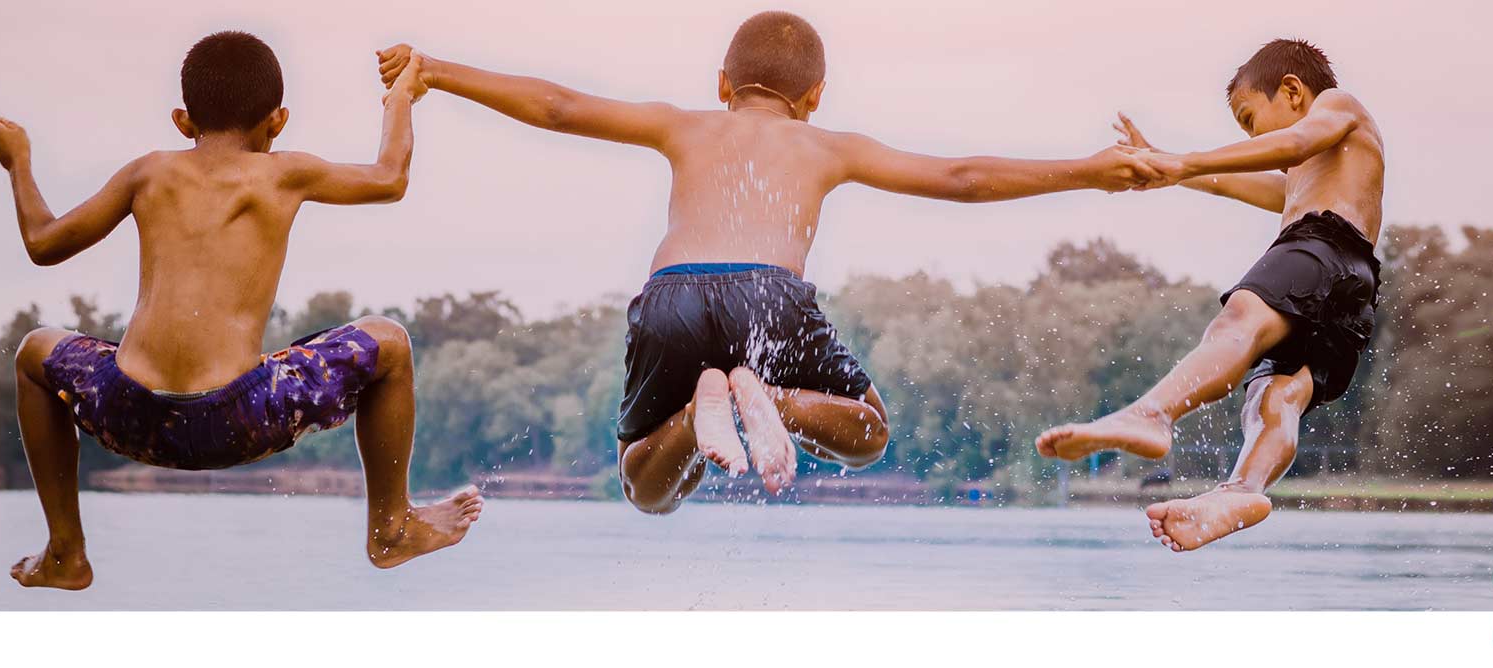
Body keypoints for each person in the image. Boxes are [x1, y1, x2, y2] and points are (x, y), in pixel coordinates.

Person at [375, 11, 1159, 513]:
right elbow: (964, 179)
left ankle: (697, 409)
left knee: (646, 488)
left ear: (721, 86)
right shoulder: (825, 143)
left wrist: (439, 71)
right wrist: (1087, 170)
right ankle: (766, 398)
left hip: (672, 293)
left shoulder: (684, 125)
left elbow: (559, 107)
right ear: (816, 94)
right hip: (770, 299)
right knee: (869, 431)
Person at [0, 31, 482, 589]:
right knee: (387, 341)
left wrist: (18, 162)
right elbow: (389, 178)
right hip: (239, 416)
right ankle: (391, 527)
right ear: (278, 120)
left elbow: (44, 243)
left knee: (35, 350)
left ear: (182, 121)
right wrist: (400, 99)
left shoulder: (146, 172)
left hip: (131, 414)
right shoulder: (284, 171)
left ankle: (65, 551)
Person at [1036, 39, 1385, 552]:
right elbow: (1237, 183)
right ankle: (1242, 489)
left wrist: (1186, 161)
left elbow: (1292, 143)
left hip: (1321, 246)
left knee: (1238, 321)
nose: (1248, 135)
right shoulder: (1314, 174)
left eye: (1249, 119)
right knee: (1277, 396)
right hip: (1352, 287)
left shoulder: (1337, 106)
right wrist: (1164, 164)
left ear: (1291, 91)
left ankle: (1153, 414)